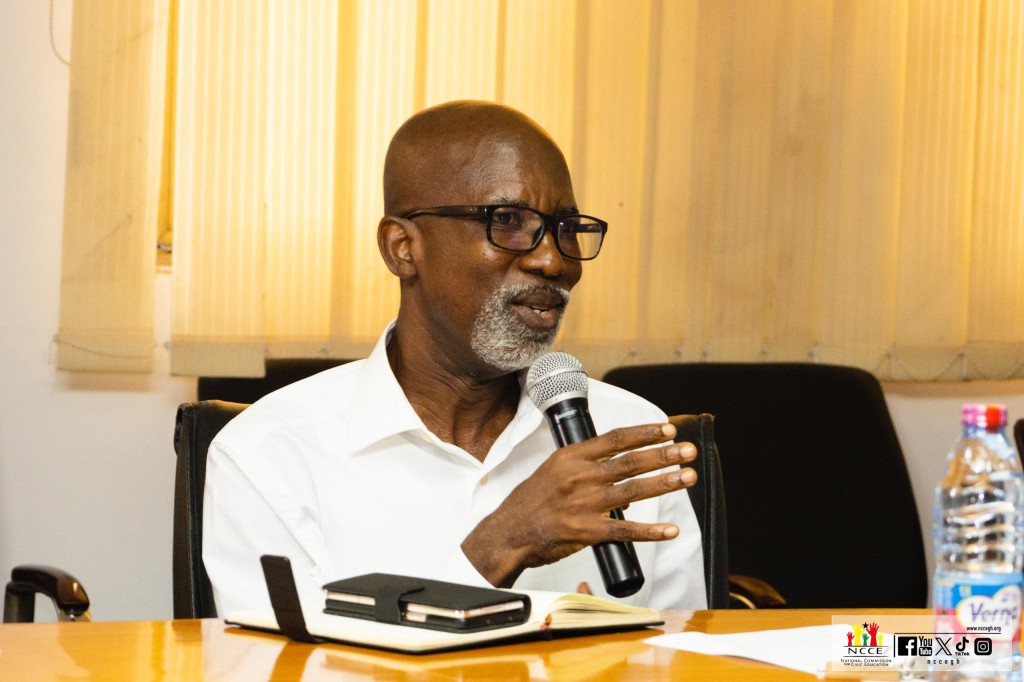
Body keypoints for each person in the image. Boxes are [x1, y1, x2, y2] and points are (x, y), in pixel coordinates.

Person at [203, 100, 706, 616]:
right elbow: (283, 660)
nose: (552, 260)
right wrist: (501, 544)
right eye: (507, 220)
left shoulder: (631, 434)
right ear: (402, 247)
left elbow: (684, 651)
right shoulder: (269, 454)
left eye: (565, 228)